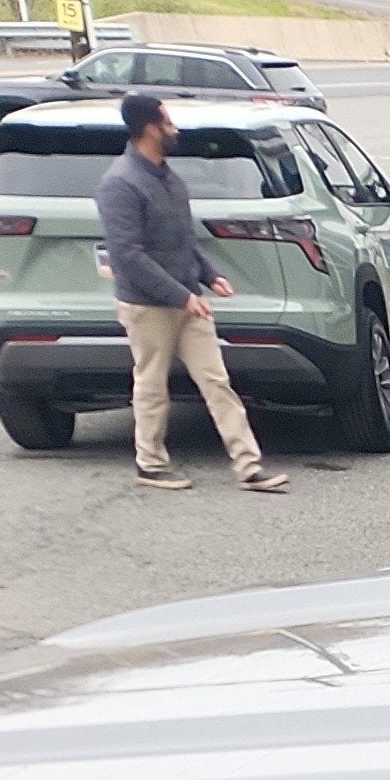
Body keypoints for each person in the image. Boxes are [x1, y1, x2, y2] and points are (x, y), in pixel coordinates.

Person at [94, 92, 287, 494]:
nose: (174, 128)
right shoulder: (120, 183)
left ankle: (249, 466)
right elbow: (127, 255)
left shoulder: (167, 176)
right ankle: (150, 463)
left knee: (217, 381)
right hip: (147, 305)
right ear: (150, 127)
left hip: (187, 299)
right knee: (151, 384)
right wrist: (181, 296)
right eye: (167, 121)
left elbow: (183, 237)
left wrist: (209, 274)